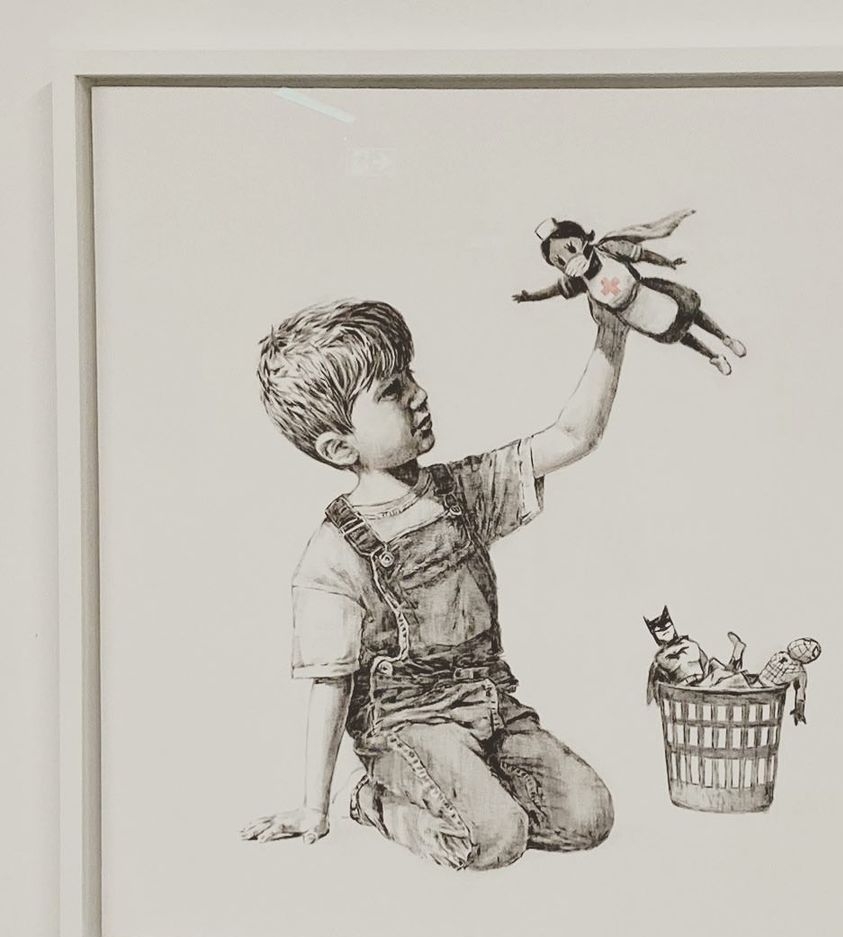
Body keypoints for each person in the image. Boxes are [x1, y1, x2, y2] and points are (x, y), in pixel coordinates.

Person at [240, 298, 621, 870]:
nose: (418, 394)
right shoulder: (334, 554)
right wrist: (313, 807)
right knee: (495, 841)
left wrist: (611, 334)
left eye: (410, 376)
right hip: (406, 726)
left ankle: (475, 789)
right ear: (340, 447)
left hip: (491, 704)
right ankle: (371, 802)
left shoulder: (463, 491)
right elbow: (331, 682)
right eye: (392, 391)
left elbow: (572, 436)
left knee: (587, 820)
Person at [512, 209, 746, 374]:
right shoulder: (577, 282)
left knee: (691, 311)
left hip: (647, 292)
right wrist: (530, 297)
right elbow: (554, 290)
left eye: (570, 248)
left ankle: (726, 339)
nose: (569, 260)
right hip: (634, 315)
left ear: (582, 238)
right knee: (678, 334)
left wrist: (667, 262)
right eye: (560, 261)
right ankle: (713, 357)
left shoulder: (608, 248)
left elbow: (641, 254)